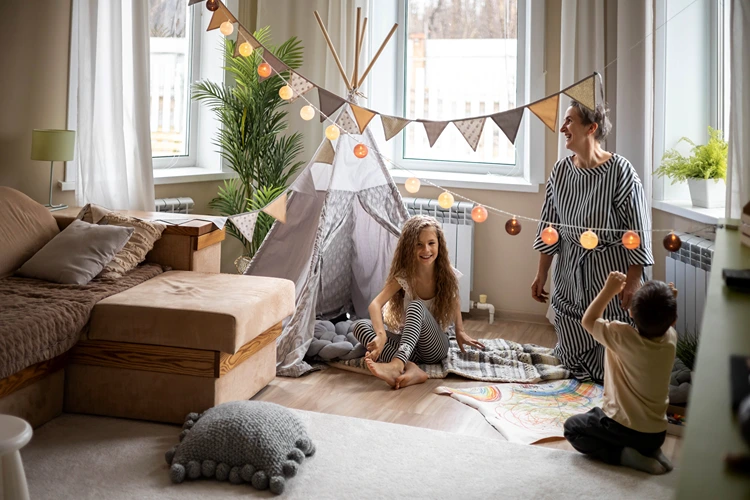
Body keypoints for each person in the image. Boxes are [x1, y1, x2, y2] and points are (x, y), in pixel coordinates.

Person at [531, 100, 654, 383]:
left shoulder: (620, 171)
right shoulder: (560, 172)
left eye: (570, 121)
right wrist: (541, 273)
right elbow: (549, 228)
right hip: (570, 276)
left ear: (591, 128)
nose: (563, 128)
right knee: (571, 361)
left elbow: (639, 231)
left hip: (611, 277)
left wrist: (634, 281)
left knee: (613, 364)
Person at [563, 271, 677, 474]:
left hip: (622, 429)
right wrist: (669, 300)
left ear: (631, 312)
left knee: (572, 428)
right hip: (656, 433)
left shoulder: (622, 335)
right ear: (672, 319)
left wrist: (609, 290)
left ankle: (622, 455)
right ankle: (652, 452)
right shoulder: (670, 339)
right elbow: (667, 323)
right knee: (595, 417)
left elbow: (588, 320)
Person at [352, 215, 484, 389]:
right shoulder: (404, 277)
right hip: (409, 347)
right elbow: (375, 304)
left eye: (431, 243)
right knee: (359, 326)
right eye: (419, 244)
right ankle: (410, 368)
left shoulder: (446, 274)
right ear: (409, 248)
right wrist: (381, 335)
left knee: (416, 306)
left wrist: (460, 331)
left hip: (434, 348)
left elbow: (455, 301)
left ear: (439, 245)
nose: (426, 250)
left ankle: (397, 365)